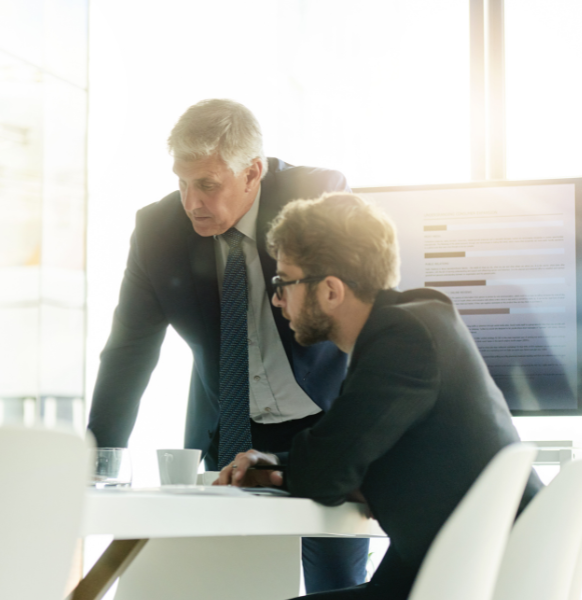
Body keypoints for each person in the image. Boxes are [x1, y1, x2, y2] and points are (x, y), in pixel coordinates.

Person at [88, 99, 368, 592]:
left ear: (253, 173)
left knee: (335, 584)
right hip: (229, 433)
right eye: (182, 182)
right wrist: (97, 463)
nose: (191, 200)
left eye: (208, 185)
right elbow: (129, 351)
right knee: (223, 584)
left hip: (327, 428)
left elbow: (366, 311)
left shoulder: (314, 197)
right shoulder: (157, 231)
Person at [217, 192, 543, 599]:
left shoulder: (401, 340)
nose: (277, 298)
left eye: (283, 281)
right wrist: (282, 464)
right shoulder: (421, 319)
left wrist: (310, 471)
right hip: (468, 570)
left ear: (331, 291)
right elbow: (347, 457)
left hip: (475, 579)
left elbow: (326, 473)